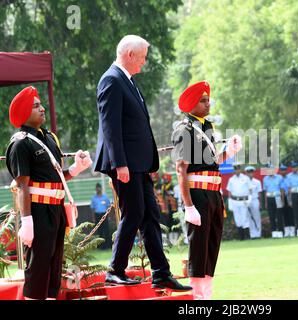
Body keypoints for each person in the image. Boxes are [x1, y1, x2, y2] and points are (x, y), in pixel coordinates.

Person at [93, 35, 190, 290]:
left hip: (139, 164)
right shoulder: (111, 80)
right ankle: (115, 269)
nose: (144, 63)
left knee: (150, 215)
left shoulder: (128, 81)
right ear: (129, 54)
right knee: (134, 212)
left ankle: (161, 272)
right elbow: (110, 126)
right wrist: (119, 163)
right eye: (143, 57)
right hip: (125, 164)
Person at [5, 86, 91, 299]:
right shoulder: (20, 144)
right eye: (36, 106)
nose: (42, 109)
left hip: (56, 209)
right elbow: (22, 185)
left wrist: (76, 168)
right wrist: (27, 222)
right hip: (37, 211)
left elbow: (56, 176)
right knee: (39, 265)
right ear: (25, 113)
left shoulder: (49, 138)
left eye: (41, 104)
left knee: (54, 264)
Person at [172, 80, 242, 300]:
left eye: (208, 100)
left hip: (214, 193)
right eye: (203, 101)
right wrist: (188, 205)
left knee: (212, 245)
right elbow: (181, 169)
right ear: (191, 104)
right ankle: (197, 296)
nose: (207, 104)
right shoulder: (183, 129)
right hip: (198, 195)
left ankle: (207, 294)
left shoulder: (207, 127)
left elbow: (211, 163)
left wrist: (228, 152)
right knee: (199, 246)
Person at [226, 164, 252, 241]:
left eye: (238, 169)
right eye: (235, 169)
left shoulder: (246, 178)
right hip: (234, 201)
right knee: (238, 219)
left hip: (243, 201)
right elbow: (229, 192)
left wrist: (249, 199)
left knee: (245, 218)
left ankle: (248, 237)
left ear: (240, 169)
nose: (236, 170)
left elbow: (250, 189)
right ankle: (241, 237)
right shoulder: (231, 179)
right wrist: (230, 201)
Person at [262, 165, 284, 238]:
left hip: (277, 197)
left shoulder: (279, 177)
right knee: (271, 216)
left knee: (279, 215)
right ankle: (274, 232)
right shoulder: (265, 179)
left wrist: (282, 200)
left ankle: (280, 231)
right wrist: (266, 202)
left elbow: (282, 190)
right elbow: (265, 192)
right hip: (269, 198)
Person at [90, 183, 112, 249]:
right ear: (95, 189)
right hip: (97, 216)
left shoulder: (105, 197)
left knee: (106, 230)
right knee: (100, 231)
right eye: (97, 188)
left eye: (99, 187)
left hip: (104, 215)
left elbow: (109, 207)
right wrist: (93, 218)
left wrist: (109, 216)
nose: (98, 189)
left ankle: (108, 246)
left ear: (101, 188)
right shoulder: (93, 198)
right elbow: (92, 209)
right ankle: (101, 247)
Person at [244, 166, 262, 239]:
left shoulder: (257, 182)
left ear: (253, 173)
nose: (250, 174)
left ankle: (258, 234)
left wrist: (260, 203)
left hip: (255, 200)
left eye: (251, 172)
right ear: (246, 173)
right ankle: (252, 235)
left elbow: (259, 193)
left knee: (257, 217)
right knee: (249, 218)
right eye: (248, 172)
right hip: (247, 201)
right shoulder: (244, 182)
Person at [280, 164, 295, 237]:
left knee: (290, 214)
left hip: (289, 196)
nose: (283, 172)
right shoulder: (279, 178)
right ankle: (286, 231)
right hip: (281, 197)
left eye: (284, 170)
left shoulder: (289, 178)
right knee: (284, 214)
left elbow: (290, 188)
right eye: (282, 170)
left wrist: (291, 200)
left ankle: (292, 230)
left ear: (286, 171)